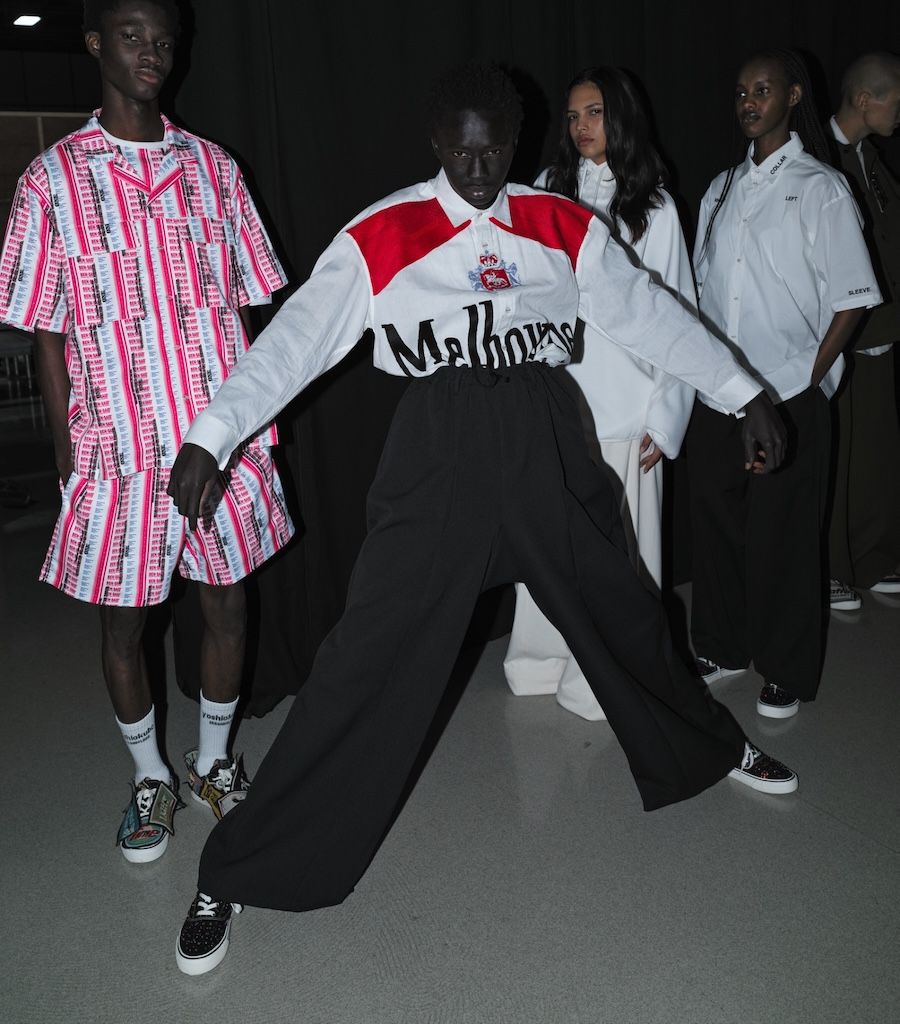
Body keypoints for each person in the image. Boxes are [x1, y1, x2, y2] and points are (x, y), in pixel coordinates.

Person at [166, 62, 798, 977]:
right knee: (365, 657)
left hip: (544, 432)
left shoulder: (558, 222)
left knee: (624, 605)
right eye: (461, 152)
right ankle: (239, 867)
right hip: (441, 448)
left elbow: (650, 315)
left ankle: (709, 745)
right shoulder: (385, 231)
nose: (477, 168)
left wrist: (744, 392)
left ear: (514, 141)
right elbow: (296, 340)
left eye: (494, 150)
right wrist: (213, 433)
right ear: (436, 143)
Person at [0, 0, 294, 864]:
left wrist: (254, 426)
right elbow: (44, 332)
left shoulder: (215, 170)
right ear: (97, 44)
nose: (151, 54)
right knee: (123, 624)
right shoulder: (52, 180)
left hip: (219, 437)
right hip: (118, 448)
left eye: (163, 40)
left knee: (228, 603)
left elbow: (250, 308)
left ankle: (213, 763)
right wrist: (68, 454)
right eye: (131, 36)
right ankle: (148, 778)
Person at [687, 48, 881, 722]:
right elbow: (702, 292)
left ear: (793, 97)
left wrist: (806, 381)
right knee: (716, 525)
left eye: (762, 90)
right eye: (741, 92)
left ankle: (787, 669)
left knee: (784, 536)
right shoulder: (719, 190)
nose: (748, 102)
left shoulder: (821, 187)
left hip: (791, 394)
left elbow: (853, 299)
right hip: (721, 393)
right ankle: (722, 645)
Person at [504, 66, 696, 721]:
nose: (582, 126)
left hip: (627, 404)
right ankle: (540, 659)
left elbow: (679, 313)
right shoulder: (546, 190)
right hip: (559, 402)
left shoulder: (656, 208)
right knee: (551, 540)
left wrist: (665, 417)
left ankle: (613, 678)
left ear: (622, 117)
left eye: (594, 112)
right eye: (574, 115)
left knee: (622, 551)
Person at [827, 53, 900, 609]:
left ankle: (870, 559)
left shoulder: (870, 158)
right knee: (835, 457)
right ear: (864, 99)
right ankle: (828, 568)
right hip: (837, 335)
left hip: (880, 331)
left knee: (874, 455)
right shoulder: (819, 157)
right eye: (896, 101)